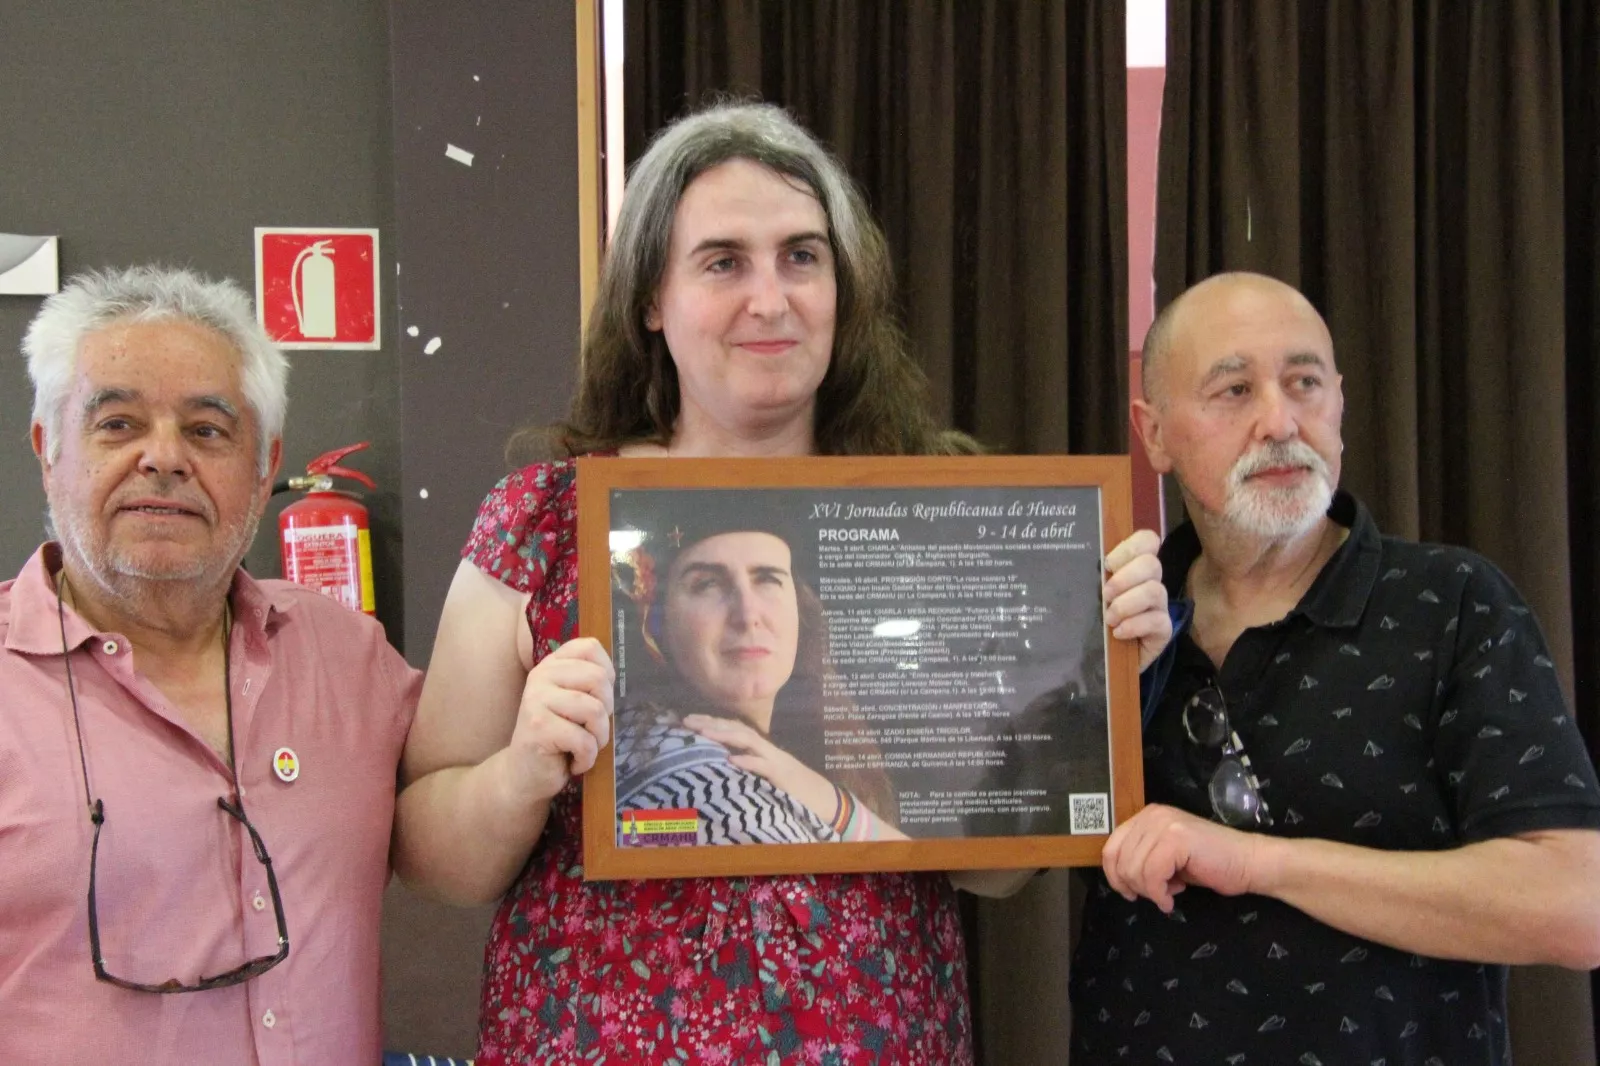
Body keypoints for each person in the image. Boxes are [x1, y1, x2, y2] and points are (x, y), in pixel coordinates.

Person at [393, 101, 1171, 1064]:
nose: (772, 297)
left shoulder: (938, 520)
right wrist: (520, 771)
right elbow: (428, 856)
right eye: (723, 262)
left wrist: (1093, 677)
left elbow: (994, 868)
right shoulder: (543, 521)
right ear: (650, 297)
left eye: (803, 257)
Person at [1070, 271, 1600, 1064]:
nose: (1279, 421)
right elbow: (998, 853)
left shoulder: (1453, 604)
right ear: (1154, 434)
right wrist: (1096, 679)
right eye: (1234, 391)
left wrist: (1257, 863)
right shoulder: (1108, 616)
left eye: (1304, 383)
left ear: (1340, 404)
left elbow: (1574, 903)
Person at [0, 266, 420, 1062]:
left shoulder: (348, 657)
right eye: (118, 423)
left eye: (206, 430)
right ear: (47, 448)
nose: (164, 458)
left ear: (265, 468)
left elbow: (465, 819)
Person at [612, 507, 903, 845]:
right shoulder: (709, 789)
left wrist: (829, 801)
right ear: (655, 623)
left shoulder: (795, 763)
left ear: (801, 608)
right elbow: (640, 828)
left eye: (767, 579)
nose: (748, 615)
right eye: (707, 584)